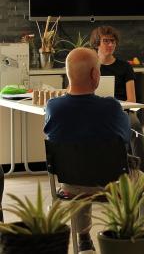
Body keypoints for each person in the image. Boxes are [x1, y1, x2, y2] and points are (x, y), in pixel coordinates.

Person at [44, 47, 131, 253]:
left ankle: (83, 239)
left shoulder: (53, 107)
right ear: (95, 74)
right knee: (116, 165)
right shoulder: (111, 107)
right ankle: (128, 235)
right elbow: (125, 138)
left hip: (71, 187)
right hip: (111, 185)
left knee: (79, 170)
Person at [90, 25, 144, 170]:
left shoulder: (125, 67)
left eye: (113, 41)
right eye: (106, 41)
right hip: (95, 110)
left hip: (122, 110)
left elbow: (132, 99)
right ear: (97, 43)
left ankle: (143, 171)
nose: (110, 45)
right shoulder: (90, 66)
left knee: (134, 124)